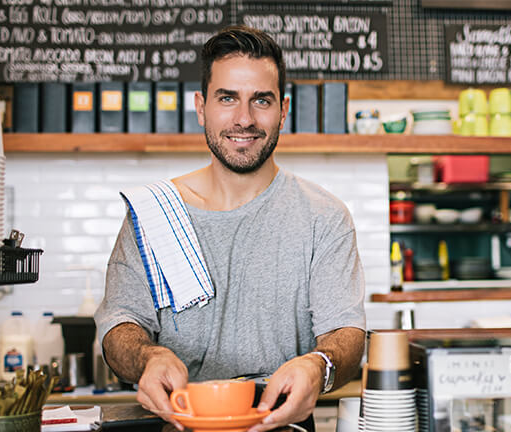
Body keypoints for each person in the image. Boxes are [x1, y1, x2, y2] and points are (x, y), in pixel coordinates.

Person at [94, 25, 366, 432]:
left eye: (261, 100)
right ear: (201, 107)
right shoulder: (153, 214)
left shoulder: (324, 216)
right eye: (227, 98)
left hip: (280, 424)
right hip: (178, 424)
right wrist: (148, 357)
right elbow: (119, 325)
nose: (244, 119)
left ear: (283, 110)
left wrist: (318, 365)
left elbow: (346, 331)